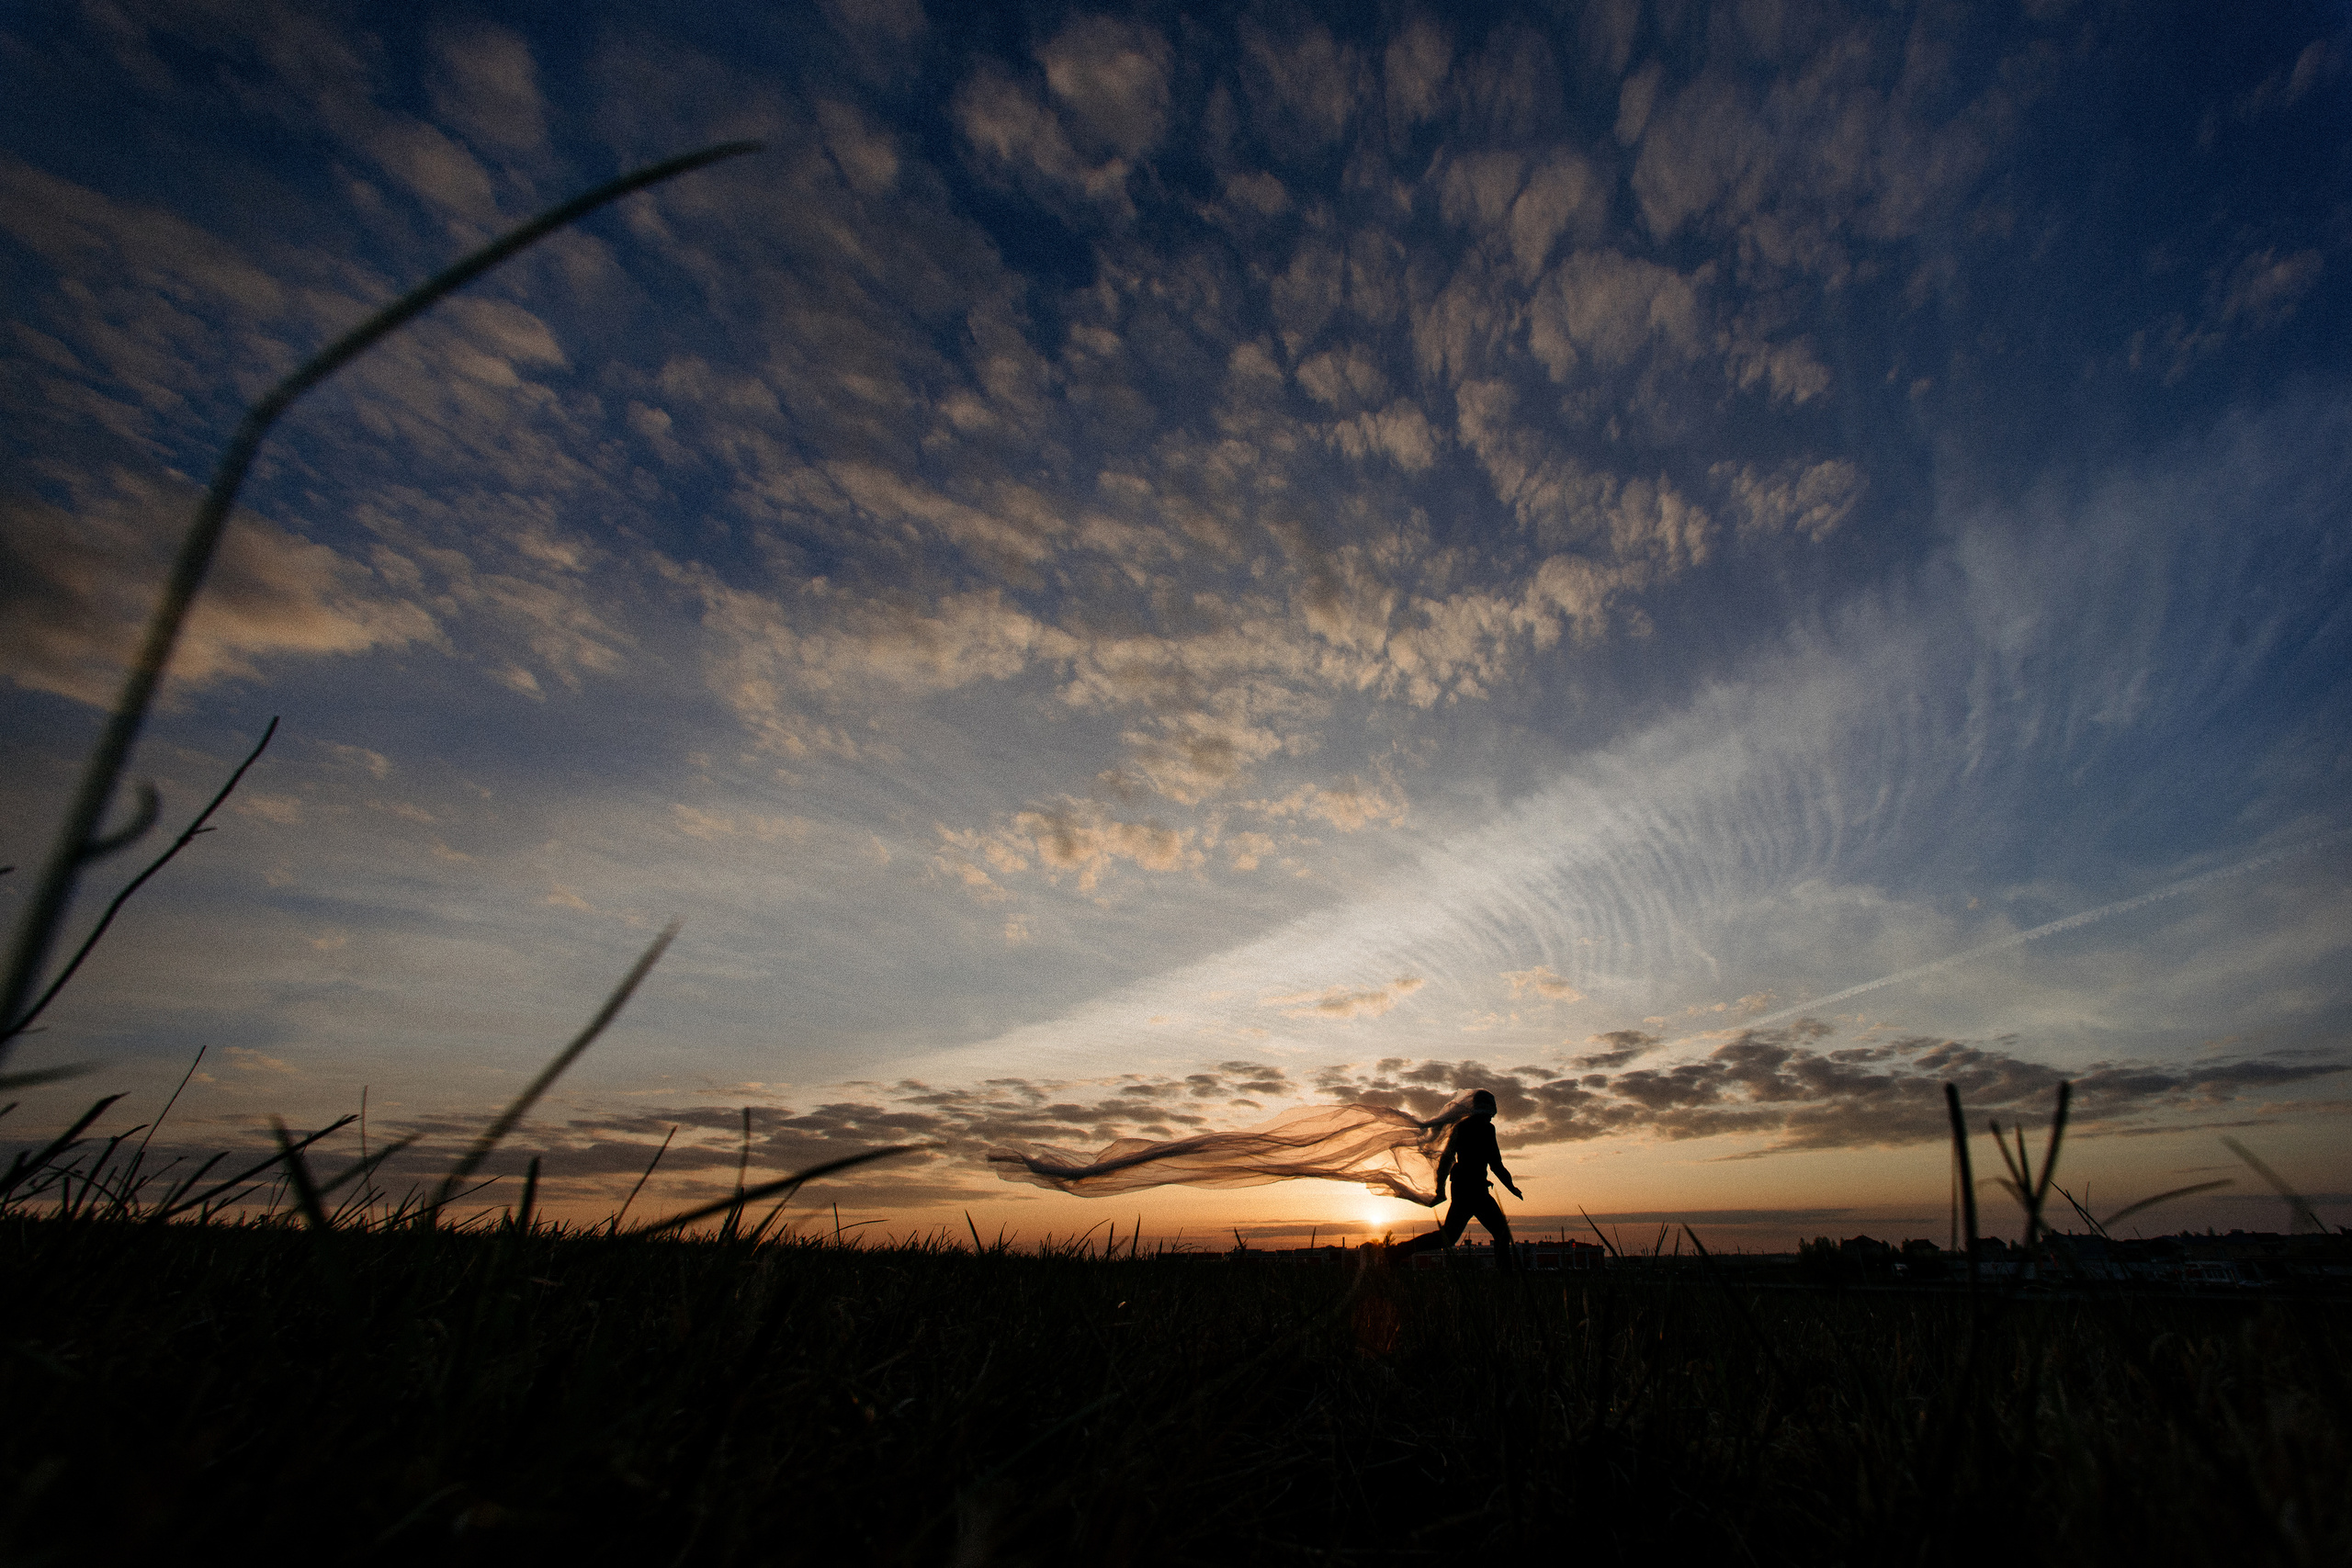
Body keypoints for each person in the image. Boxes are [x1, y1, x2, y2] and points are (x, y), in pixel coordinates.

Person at [1389, 1089, 1523, 1269]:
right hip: (1474, 1192)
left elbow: (1447, 1160)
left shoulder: (1462, 1127)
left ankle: (1398, 1251)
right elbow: (1495, 1164)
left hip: (1465, 1189)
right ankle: (1506, 1277)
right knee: (1499, 1234)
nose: (1492, 1118)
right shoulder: (1485, 1129)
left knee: (1450, 1237)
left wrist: (1441, 1188)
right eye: (1490, 1113)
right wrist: (1511, 1187)